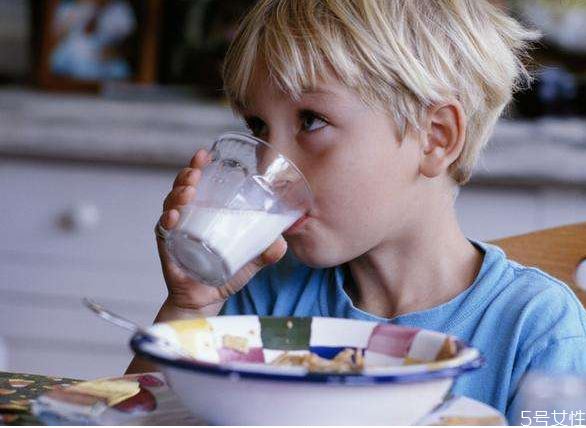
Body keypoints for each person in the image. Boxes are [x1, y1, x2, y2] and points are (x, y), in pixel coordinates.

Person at [127, 0, 586, 422]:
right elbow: (141, 421)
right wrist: (189, 308)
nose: (269, 168)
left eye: (311, 121)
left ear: (436, 138)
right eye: (259, 127)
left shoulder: (536, 327)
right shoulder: (264, 300)